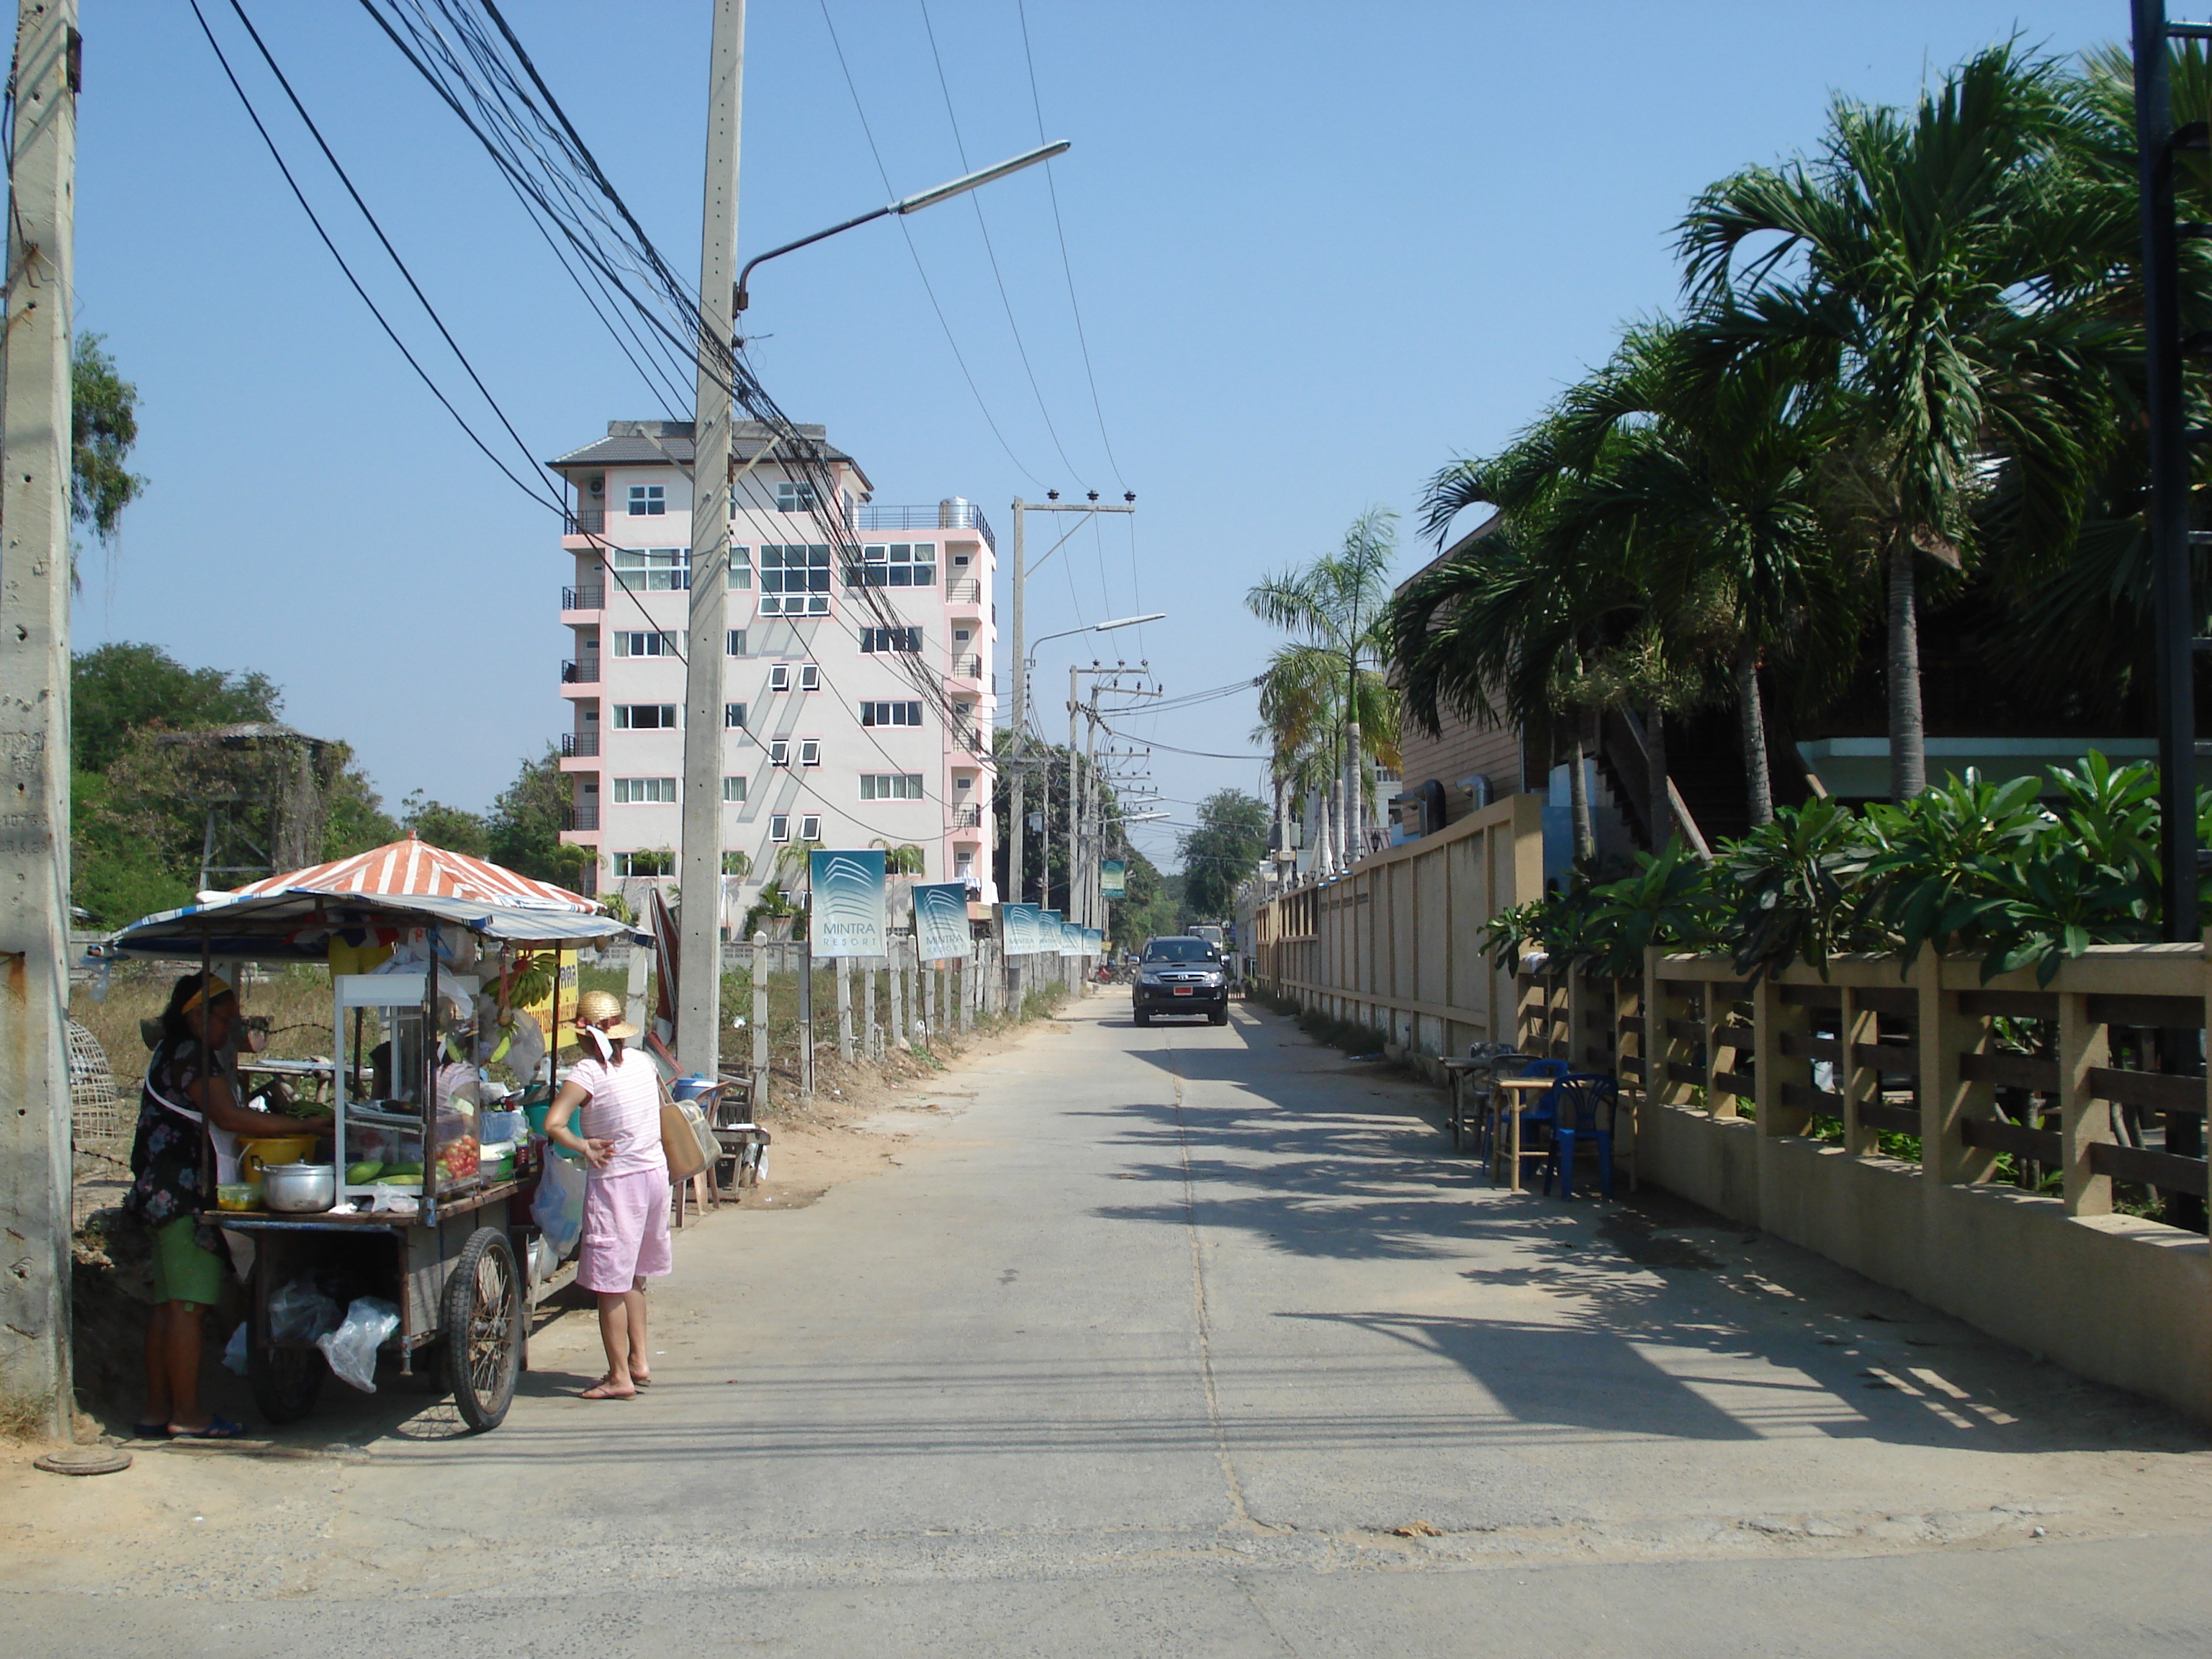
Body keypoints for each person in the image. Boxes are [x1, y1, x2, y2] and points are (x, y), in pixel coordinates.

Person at [126, 971, 332, 1439]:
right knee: (188, 1308)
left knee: (168, 1306)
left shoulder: (169, 1052)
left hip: (158, 1194)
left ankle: (157, 1409)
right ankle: (189, 1413)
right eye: (225, 1019)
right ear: (197, 1015)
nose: (230, 1029)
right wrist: (311, 1129)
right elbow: (230, 1117)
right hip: (184, 1195)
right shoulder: (193, 1056)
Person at [543, 989, 669, 1399]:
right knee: (633, 1276)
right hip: (654, 1175)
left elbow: (554, 1124)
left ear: (584, 1037)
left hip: (618, 1183)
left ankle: (619, 1377)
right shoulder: (642, 1061)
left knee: (609, 1284)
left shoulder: (587, 1073)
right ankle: (639, 1360)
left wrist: (584, 1146)